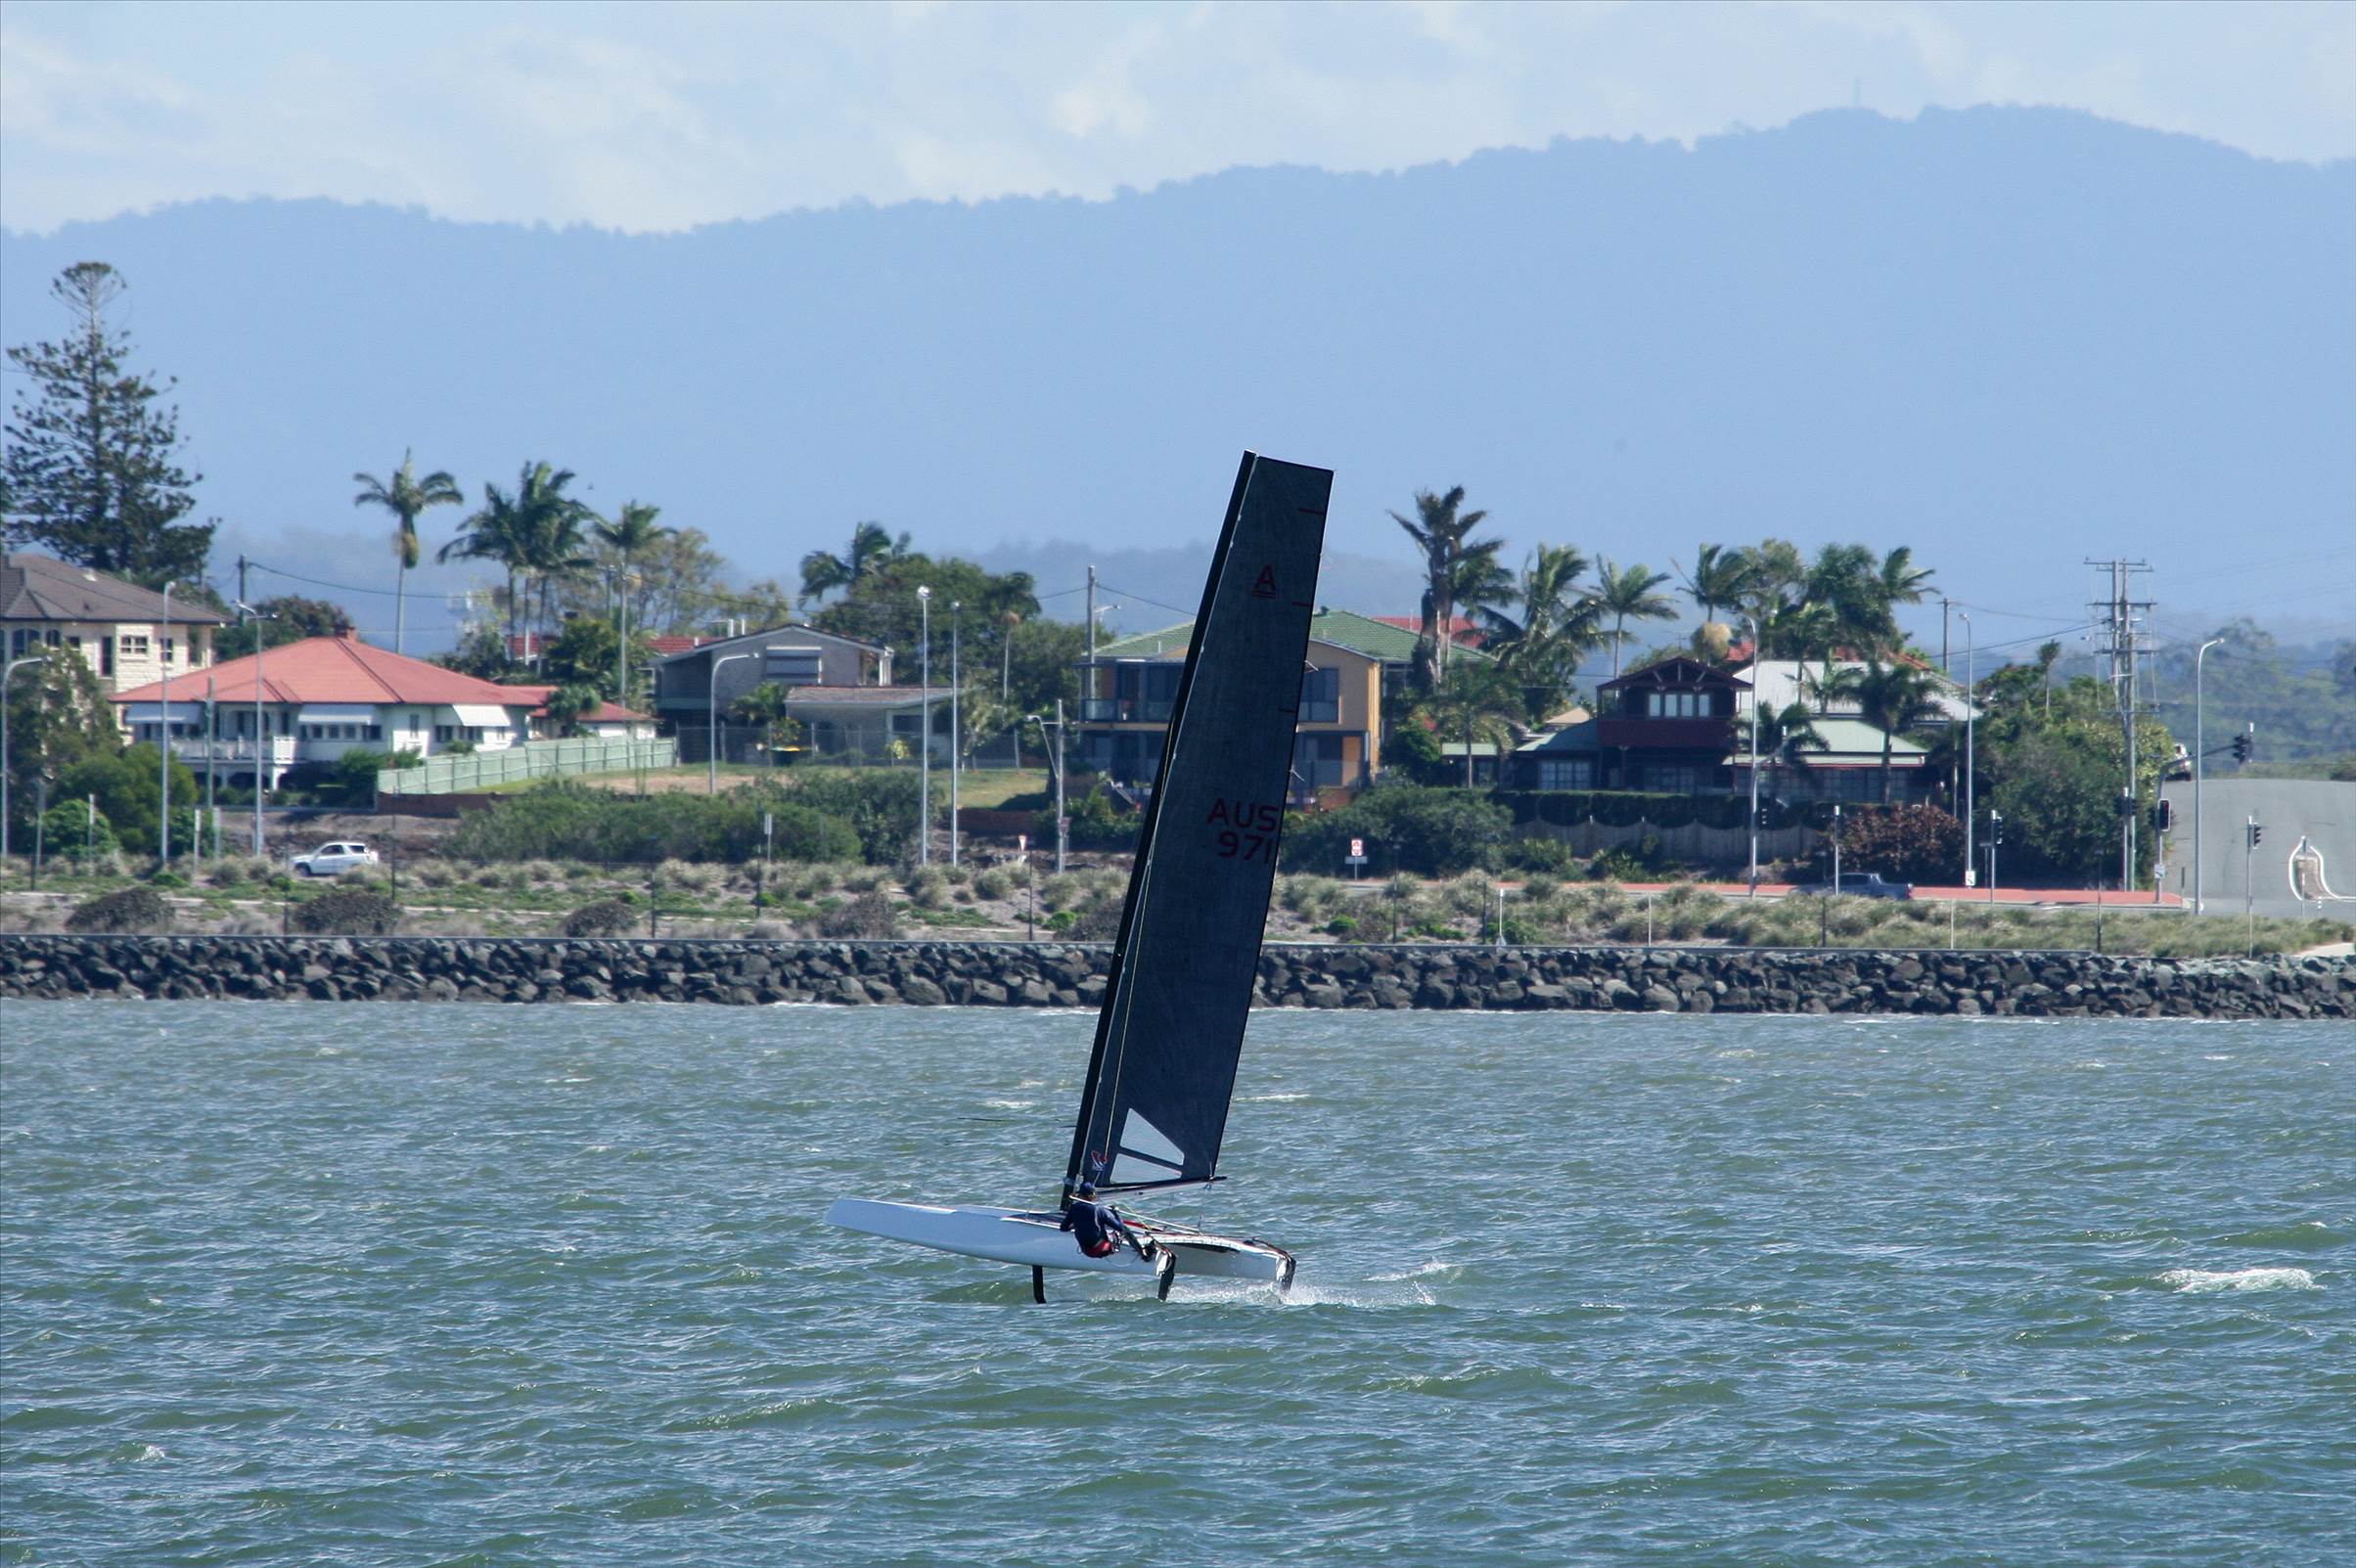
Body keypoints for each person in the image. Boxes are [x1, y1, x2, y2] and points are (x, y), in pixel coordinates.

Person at [1061, 1183, 1151, 1261]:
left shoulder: (1074, 1208)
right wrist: (1116, 1213)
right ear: (1093, 1195)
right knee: (1125, 1229)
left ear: (1080, 1195)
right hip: (1102, 1250)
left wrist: (1077, 1224)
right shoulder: (1099, 1210)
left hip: (1087, 1252)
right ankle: (1143, 1254)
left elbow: (1063, 1228)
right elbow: (1120, 1227)